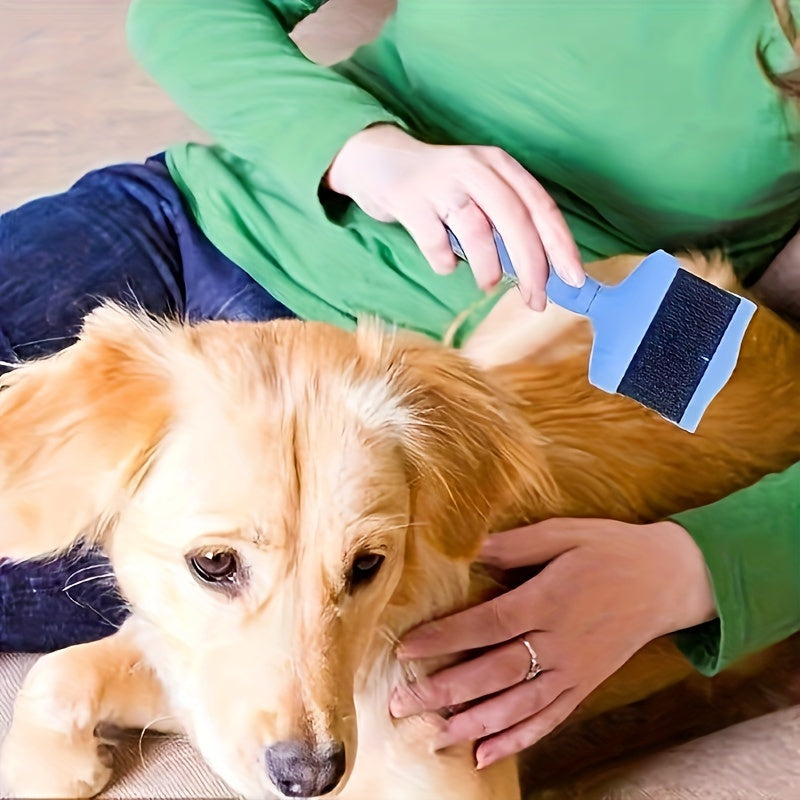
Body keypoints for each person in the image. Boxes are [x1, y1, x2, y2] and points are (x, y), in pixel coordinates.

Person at [1, 0, 798, 770]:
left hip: (416, 396)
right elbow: (187, 10)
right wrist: (364, 147)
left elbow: (748, 365)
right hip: (205, 216)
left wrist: (697, 565)